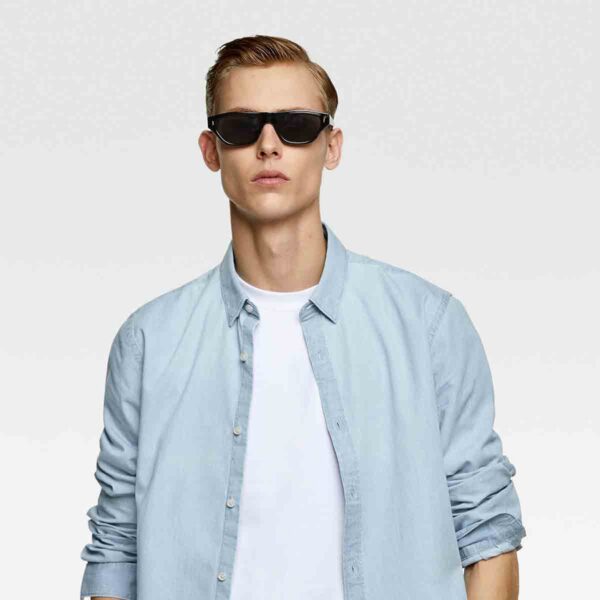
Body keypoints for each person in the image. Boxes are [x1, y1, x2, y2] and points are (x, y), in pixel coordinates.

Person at [80, 34, 526, 600]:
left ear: (331, 146)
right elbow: (117, 547)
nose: (269, 145)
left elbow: (486, 532)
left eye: (295, 125)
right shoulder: (150, 341)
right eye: (242, 127)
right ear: (211, 150)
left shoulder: (428, 325)